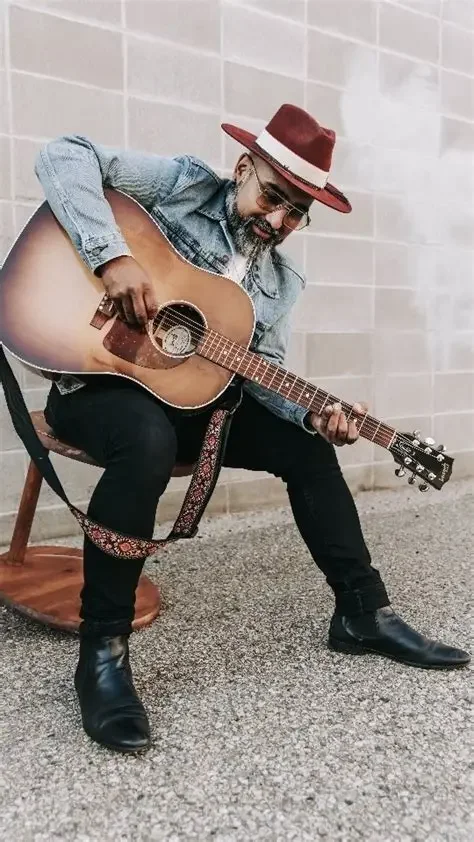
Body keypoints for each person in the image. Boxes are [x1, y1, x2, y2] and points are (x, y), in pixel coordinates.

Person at [35, 104, 470, 754]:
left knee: (307, 446)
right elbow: (63, 151)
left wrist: (313, 412)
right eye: (271, 196)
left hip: (191, 405)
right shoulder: (182, 183)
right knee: (146, 441)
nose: (277, 221)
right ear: (243, 168)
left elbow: (262, 373)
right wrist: (112, 259)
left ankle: (362, 611)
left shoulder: (282, 281)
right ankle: (104, 650)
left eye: (296, 213)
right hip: (96, 381)